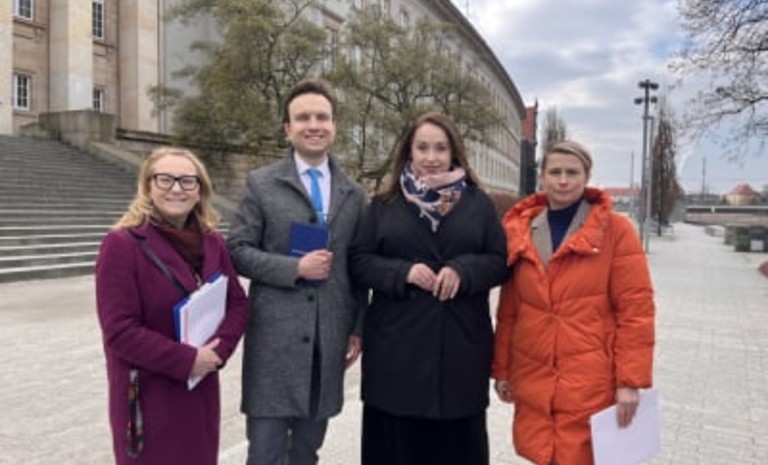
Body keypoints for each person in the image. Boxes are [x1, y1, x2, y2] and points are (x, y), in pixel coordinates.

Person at [349, 111, 508, 465]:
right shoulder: (385, 204)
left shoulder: (479, 204)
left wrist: (463, 270)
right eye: (422, 147)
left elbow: (500, 261)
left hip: (459, 353)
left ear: (454, 153)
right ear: (409, 151)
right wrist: (402, 272)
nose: (431, 157)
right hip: (396, 355)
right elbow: (359, 261)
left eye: (440, 148)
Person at [227, 78, 366, 465]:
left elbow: (358, 267)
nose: (313, 125)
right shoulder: (261, 184)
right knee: (266, 452)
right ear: (288, 129)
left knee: (307, 450)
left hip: (327, 339)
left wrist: (357, 326)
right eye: (303, 118)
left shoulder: (354, 194)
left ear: (334, 126)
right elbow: (237, 251)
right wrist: (295, 268)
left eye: (322, 117)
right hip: (274, 341)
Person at [492, 140, 656, 465]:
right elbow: (510, 310)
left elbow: (636, 311)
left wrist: (630, 382)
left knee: (581, 455)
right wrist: (503, 369)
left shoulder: (616, 232)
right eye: (555, 172)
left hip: (590, 380)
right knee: (543, 453)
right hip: (534, 375)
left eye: (572, 172)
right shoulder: (521, 232)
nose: (563, 181)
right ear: (542, 176)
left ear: (586, 177)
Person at [95, 147, 249, 465]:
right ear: (148, 186)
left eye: (187, 181)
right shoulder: (122, 245)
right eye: (165, 179)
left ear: (200, 190)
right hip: (150, 395)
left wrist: (218, 352)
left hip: (200, 388)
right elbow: (120, 332)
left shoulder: (213, 243)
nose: (176, 189)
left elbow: (237, 303)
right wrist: (187, 360)